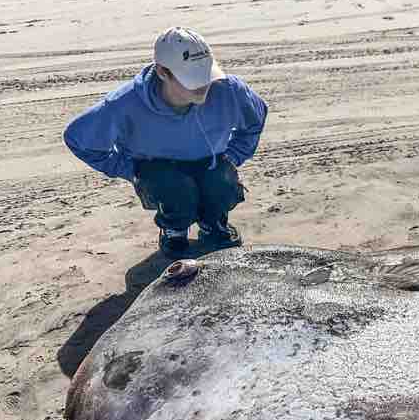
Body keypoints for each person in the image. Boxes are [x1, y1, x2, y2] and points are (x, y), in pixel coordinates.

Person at [63, 27, 268, 258]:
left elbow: (256, 118)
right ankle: (174, 231)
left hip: (211, 162)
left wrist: (234, 156)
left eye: (206, 74)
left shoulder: (229, 89)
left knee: (220, 182)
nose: (204, 85)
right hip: (158, 169)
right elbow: (79, 139)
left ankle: (213, 224)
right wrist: (131, 170)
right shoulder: (123, 103)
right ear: (162, 72)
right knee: (175, 189)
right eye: (192, 78)